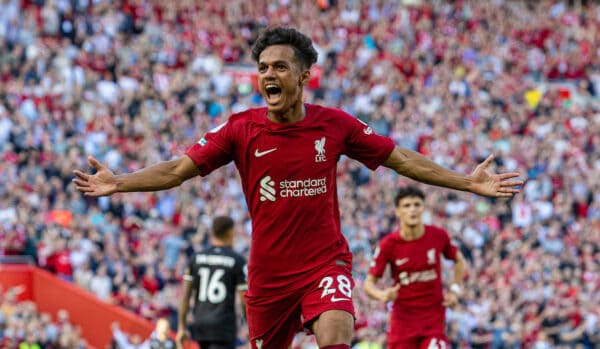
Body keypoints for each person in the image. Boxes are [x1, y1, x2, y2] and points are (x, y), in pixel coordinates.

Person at [73, 26, 522, 349]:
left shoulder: (336, 125)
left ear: (304, 76)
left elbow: (401, 159)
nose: (269, 75)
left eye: (281, 67)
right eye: (263, 68)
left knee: (335, 336)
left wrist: (466, 181)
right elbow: (176, 171)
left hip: (325, 263)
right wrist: (120, 183)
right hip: (268, 277)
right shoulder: (240, 129)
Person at [363, 186, 467, 349]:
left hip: (433, 323)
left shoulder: (438, 236)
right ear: (397, 211)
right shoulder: (388, 245)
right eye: (407, 205)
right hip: (402, 324)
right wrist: (382, 295)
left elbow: (459, 261)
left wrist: (455, 290)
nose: (412, 210)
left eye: (417, 205)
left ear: (423, 208)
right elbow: (368, 284)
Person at [176, 216, 247, 349]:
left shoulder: (196, 258)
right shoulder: (237, 260)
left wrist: (181, 327)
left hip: (200, 324)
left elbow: (185, 297)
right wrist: (251, 327)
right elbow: (244, 300)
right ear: (230, 233)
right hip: (223, 326)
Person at [111, 318, 176, 349]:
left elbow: (153, 337)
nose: (136, 338)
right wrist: (116, 330)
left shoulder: (144, 346)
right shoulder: (128, 347)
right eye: (134, 337)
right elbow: (121, 340)